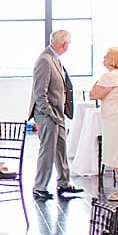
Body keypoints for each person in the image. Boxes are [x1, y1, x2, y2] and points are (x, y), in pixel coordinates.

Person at [29, 29, 81, 200]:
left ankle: (64, 183)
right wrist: (50, 113)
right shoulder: (45, 60)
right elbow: (40, 94)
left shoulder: (55, 59)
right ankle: (40, 186)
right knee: (48, 151)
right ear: (64, 44)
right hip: (47, 115)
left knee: (60, 150)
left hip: (58, 114)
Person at [89, 47, 118, 201]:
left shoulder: (110, 77)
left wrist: (96, 82)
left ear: (113, 59)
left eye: (106, 56)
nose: (103, 58)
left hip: (116, 116)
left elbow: (93, 94)